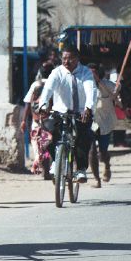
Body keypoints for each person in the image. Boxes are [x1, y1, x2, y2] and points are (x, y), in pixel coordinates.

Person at [38, 44, 95, 183]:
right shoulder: (57, 72)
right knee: (50, 136)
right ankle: (55, 162)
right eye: (64, 58)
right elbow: (48, 89)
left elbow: (90, 90)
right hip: (60, 112)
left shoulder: (85, 72)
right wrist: (43, 105)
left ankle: (81, 169)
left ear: (77, 59)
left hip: (81, 113)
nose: (66, 62)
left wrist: (88, 108)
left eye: (70, 59)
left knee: (83, 138)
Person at [21, 61, 55, 180]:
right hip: (52, 119)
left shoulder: (36, 84)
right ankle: (48, 169)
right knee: (49, 145)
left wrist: (24, 120)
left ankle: (45, 169)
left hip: (37, 120)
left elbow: (28, 103)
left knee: (39, 145)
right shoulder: (56, 83)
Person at [87, 63, 117, 188]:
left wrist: (99, 82)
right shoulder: (84, 86)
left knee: (103, 152)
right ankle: (96, 179)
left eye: (94, 72)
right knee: (92, 150)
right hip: (91, 123)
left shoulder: (107, 84)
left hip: (105, 123)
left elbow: (116, 91)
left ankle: (107, 166)